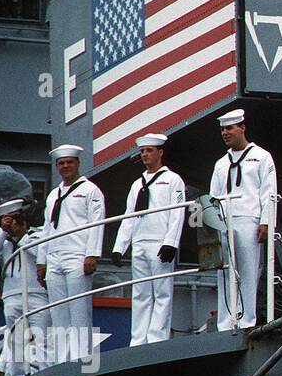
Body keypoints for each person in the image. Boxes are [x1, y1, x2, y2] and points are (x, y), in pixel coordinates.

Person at [110, 133, 185, 345]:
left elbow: (177, 212)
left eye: (149, 150)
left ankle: (157, 338)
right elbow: (129, 216)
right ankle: (138, 339)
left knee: (162, 293)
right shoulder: (137, 184)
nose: (145, 154)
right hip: (140, 243)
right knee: (140, 294)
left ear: (160, 152)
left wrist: (171, 243)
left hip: (160, 242)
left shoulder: (172, 180)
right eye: (142, 151)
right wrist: (120, 246)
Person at [35, 145, 104, 364]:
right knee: (58, 314)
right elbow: (47, 228)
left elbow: (97, 223)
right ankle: (62, 363)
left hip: (78, 255)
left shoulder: (90, 189)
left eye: (69, 162)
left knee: (79, 311)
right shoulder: (54, 194)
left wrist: (92, 254)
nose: (65, 166)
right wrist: (41, 260)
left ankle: (82, 362)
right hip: (54, 257)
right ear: (57, 166)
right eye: (61, 163)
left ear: (77, 164)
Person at [209, 110, 276, 330]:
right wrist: (214, 226)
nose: (225, 133)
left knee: (248, 272)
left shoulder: (261, 156)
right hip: (225, 222)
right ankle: (226, 323)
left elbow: (268, 192)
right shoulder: (221, 163)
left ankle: (247, 321)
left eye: (230, 128)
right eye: (222, 130)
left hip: (249, 218)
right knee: (225, 273)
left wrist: (266, 221)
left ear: (242, 128)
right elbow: (213, 197)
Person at [0, 200, 49, 376]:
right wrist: (3, 230)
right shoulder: (3, 240)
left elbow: (41, 253)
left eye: (14, 218)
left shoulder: (35, 235)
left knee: (41, 349)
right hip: (12, 296)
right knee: (16, 353)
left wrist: (21, 235)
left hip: (37, 296)